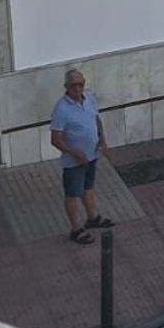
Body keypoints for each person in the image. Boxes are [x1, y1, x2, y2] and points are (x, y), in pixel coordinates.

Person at [49, 67, 112, 244]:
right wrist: (74, 153)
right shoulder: (61, 109)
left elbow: (96, 119)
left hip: (91, 155)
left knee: (88, 187)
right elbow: (55, 139)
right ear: (66, 86)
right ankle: (76, 229)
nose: (78, 88)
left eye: (81, 84)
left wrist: (102, 139)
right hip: (74, 161)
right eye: (74, 85)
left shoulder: (89, 98)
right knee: (73, 193)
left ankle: (92, 217)